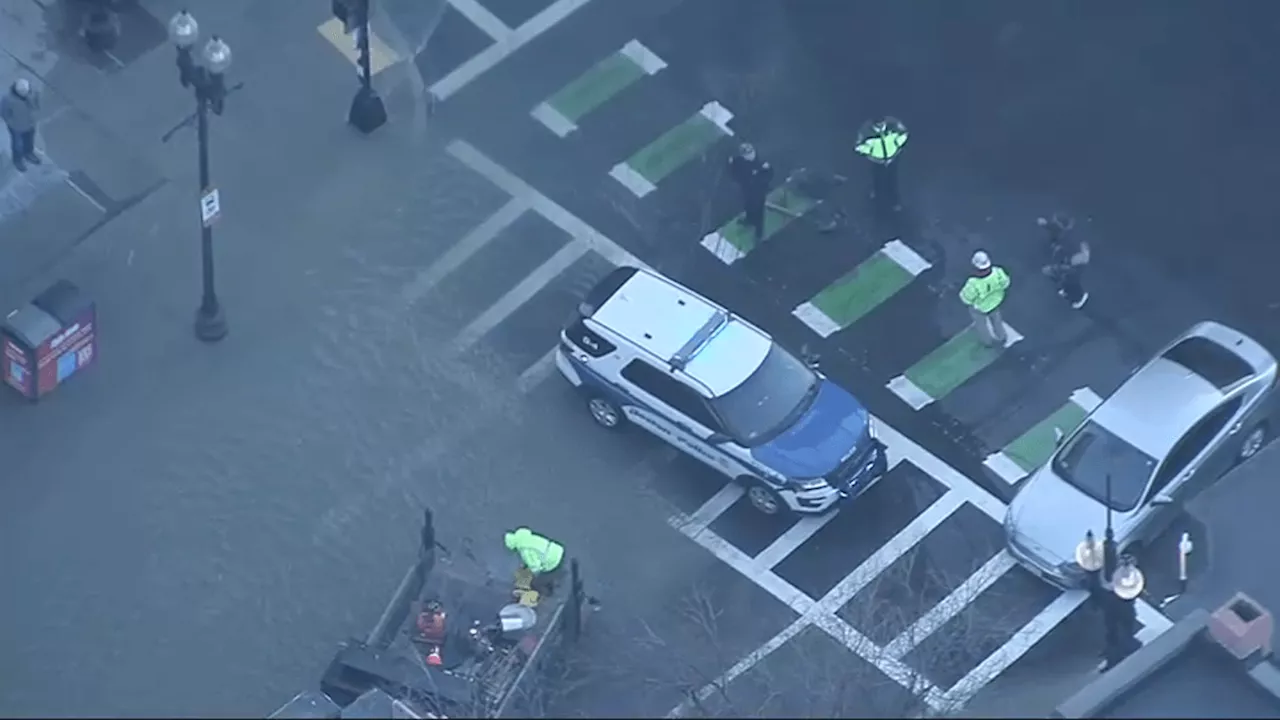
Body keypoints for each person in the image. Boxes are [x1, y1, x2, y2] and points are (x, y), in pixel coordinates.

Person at [854, 116, 908, 213]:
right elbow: (859, 146)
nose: (880, 126)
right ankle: (879, 202)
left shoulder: (893, 125)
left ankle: (895, 201)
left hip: (892, 158)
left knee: (892, 180)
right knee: (878, 180)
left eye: (882, 124)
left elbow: (904, 134)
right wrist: (870, 150)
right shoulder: (866, 131)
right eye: (877, 125)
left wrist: (897, 144)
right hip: (877, 160)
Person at [959, 251, 1011, 348]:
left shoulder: (973, 283)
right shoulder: (998, 272)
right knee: (997, 321)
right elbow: (1006, 283)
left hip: (980, 308)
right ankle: (1002, 336)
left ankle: (987, 342)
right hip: (995, 302)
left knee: (981, 325)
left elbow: (966, 298)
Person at [1039, 214, 1091, 309]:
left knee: (1055, 272)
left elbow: (1081, 254)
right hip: (1072, 259)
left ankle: (1069, 292)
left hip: (1073, 260)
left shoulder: (1074, 242)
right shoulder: (1068, 238)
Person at [727, 142, 773, 244]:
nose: (750, 156)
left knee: (759, 213)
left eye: (751, 153)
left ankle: (759, 233)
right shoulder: (739, 161)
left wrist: (760, 181)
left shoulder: (761, 163)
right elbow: (733, 168)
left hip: (758, 192)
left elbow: (769, 175)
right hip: (747, 190)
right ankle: (749, 220)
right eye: (747, 154)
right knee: (748, 206)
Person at [504, 527, 564, 594]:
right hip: (556, 550)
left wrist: (532, 574)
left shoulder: (525, 550)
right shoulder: (526, 537)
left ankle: (548, 590)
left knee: (537, 582)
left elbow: (535, 566)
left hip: (552, 559)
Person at [1, 78, 42, 173]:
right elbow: (4, 113)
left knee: (29, 141)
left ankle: (29, 153)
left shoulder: (33, 92)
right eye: (22, 92)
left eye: (26, 91)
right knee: (17, 145)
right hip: (16, 127)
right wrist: (11, 123)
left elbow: (37, 103)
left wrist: (35, 115)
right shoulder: (8, 99)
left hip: (30, 124)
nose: (25, 93)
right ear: (17, 91)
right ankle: (17, 160)